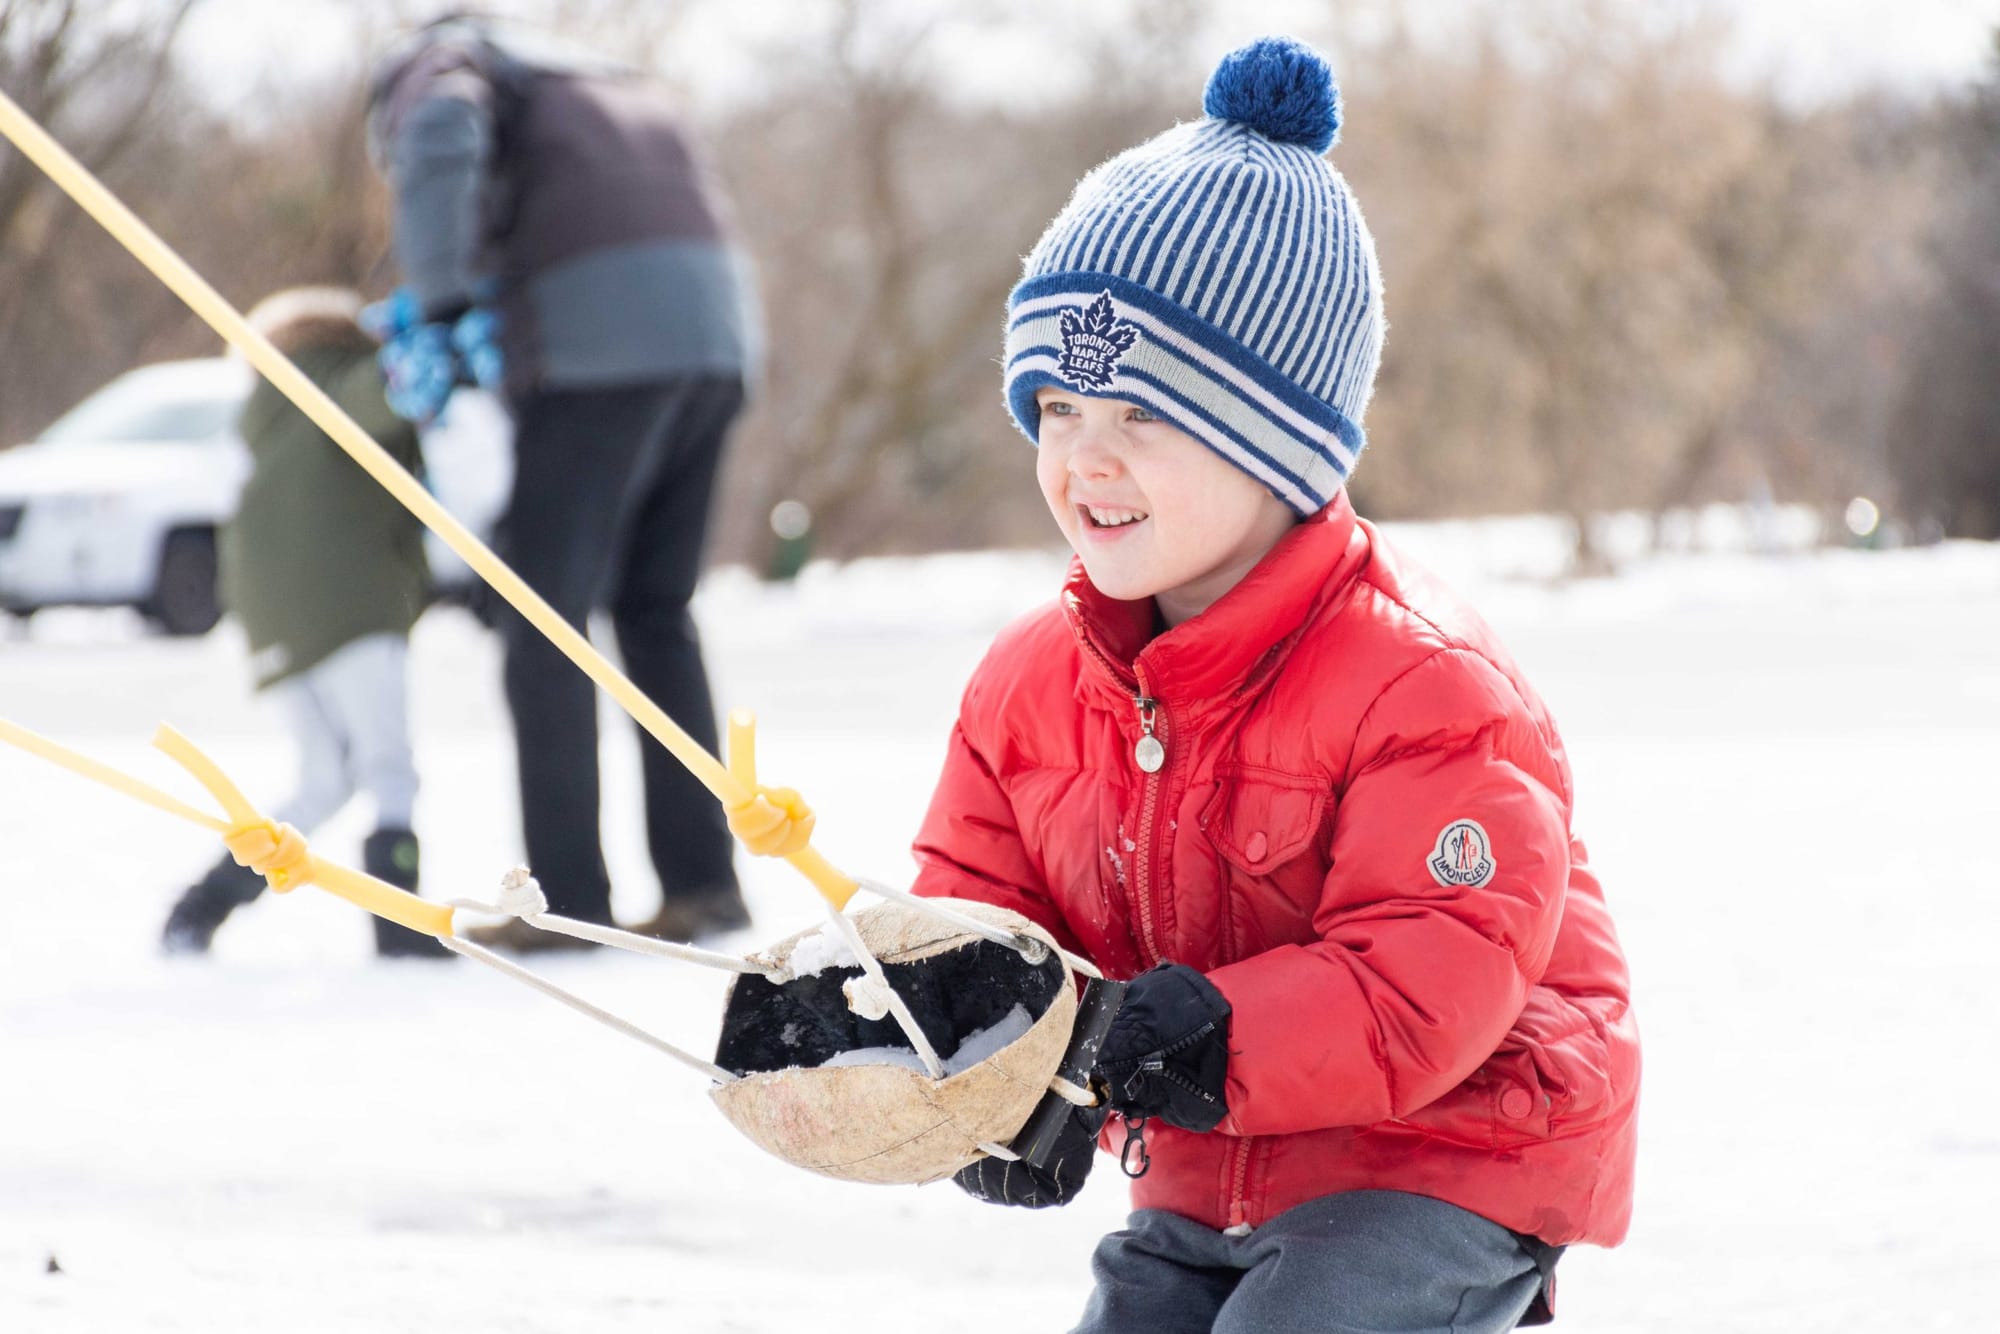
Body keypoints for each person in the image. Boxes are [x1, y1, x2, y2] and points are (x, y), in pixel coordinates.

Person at [915, 38, 1640, 1332]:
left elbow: (1433, 973)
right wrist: (989, 1063)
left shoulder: (1423, 681)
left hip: (1451, 1146)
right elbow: (981, 917)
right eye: (1058, 411)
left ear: (1274, 440)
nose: (1087, 460)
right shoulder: (1030, 686)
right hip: (1207, 1166)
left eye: (1141, 417)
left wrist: (1191, 1039)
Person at [365, 15, 762, 950]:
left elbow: (436, 137)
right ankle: (705, 883)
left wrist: (443, 299)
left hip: (598, 354)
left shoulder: (446, 64)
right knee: (657, 610)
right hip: (716, 346)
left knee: (539, 613)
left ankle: (567, 899)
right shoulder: (612, 81)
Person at [161, 287, 449, 960]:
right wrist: (409, 371)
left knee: (323, 776)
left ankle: (201, 905)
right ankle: (399, 925)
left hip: (269, 615)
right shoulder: (340, 376)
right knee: (387, 769)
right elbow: (378, 401)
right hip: (349, 604)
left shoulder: (266, 404)